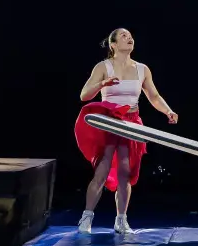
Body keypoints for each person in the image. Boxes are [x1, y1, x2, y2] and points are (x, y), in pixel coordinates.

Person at [73, 28, 178, 234]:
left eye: (130, 36)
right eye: (123, 36)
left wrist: (168, 111)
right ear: (112, 45)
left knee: (125, 172)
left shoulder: (142, 69)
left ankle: (121, 220)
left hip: (131, 123)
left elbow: (154, 96)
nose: (129, 38)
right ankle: (86, 218)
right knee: (102, 171)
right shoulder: (103, 67)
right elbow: (84, 95)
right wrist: (103, 83)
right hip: (109, 122)